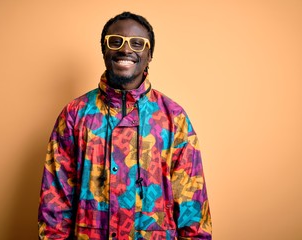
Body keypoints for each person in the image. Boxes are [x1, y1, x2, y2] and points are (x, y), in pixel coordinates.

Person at [38, 11, 212, 239]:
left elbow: (193, 206)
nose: (125, 49)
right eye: (115, 41)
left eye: (138, 43)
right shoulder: (75, 114)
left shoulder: (173, 117)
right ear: (103, 50)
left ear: (150, 55)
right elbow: (55, 202)